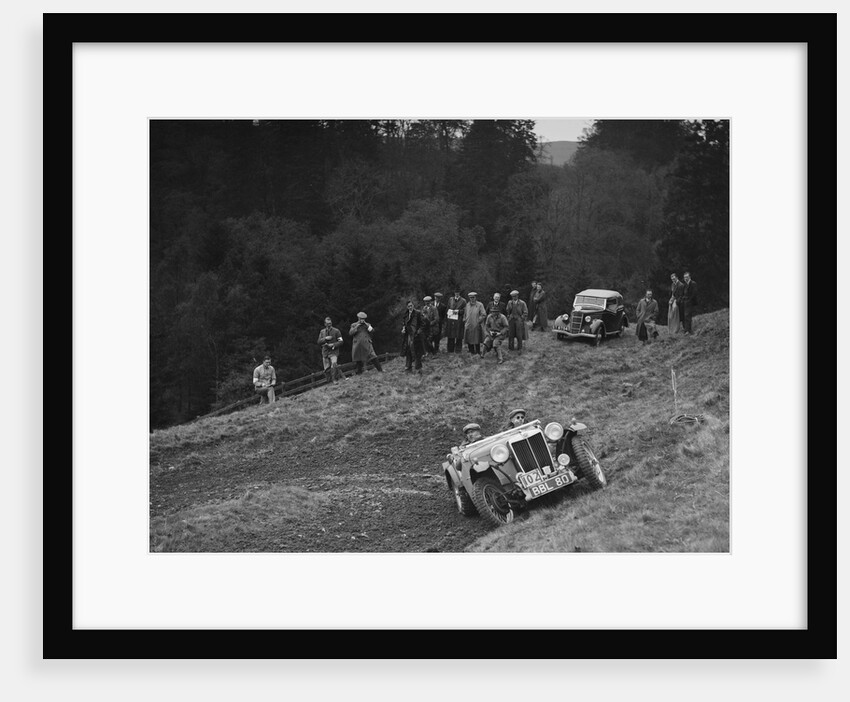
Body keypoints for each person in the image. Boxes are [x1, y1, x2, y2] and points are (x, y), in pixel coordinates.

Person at [401, 300, 425, 374]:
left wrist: (418, 331)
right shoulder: (406, 314)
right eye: (409, 306)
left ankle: (418, 369)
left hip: (416, 336)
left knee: (417, 352)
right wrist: (403, 329)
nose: (410, 307)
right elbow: (404, 324)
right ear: (407, 307)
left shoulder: (418, 313)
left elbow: (423, 324)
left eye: (411, 305)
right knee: (408, 351)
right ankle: (408, 368)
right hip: (408, 335)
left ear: (413, 305)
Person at [318, 316, 344, 383]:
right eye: (327, 324)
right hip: (325, 352)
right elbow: (319, 341)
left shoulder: (336, 331)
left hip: (333, 351)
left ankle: (334, 379)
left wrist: (333, 345)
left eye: (330, 323)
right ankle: (329, 380)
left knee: (334, 364)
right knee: (326, 368)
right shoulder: (322, 332)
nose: (329, 325)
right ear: (325, 324)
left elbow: (341, 341)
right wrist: (325, 339)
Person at [462, 291, 487, 356]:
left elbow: (483, 314)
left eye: (473, 297)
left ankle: (478, 352)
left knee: (477, 338)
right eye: (470, 298)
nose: (472, 299)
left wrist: (479, 321)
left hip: (476, 324)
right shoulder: (467, 305)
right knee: (469, 338)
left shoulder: (480, 305)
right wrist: (465, 320)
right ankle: (471, 351)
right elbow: (465, 314)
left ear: (475, 297)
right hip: (468, 324)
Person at [505, 289, 529, 353]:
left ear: (517, 296)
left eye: (515, 296)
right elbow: (507, 310)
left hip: (519, 320)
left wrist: (522, 318)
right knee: (511, 334)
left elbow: (525, 312)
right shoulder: (509, 303)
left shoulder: (522, 303)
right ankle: (511, 348)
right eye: (513, 296)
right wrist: (509, 316)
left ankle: (520, 348)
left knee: (519, 334)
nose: (514, 298)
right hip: (511, 319)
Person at [445, 289, 466, 354]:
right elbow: (448, 308)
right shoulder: (451, 299)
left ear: (459, 293)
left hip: (459, 319)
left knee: (458, 335)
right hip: (451, 319)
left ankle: (458, 350)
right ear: (454, 293)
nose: (457, 294)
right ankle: (450, 350)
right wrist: (449, 313)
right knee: (450, 335)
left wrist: (458, 311)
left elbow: (465, 310)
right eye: (456, 292)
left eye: (458, 292)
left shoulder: (463, 301)